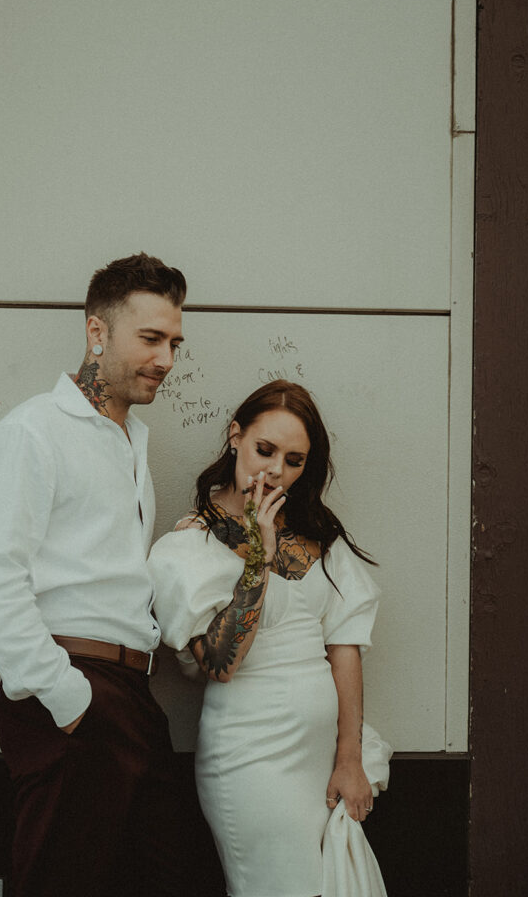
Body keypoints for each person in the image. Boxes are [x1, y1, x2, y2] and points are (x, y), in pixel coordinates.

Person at [0, 253, 190, 897]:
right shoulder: (33, 432)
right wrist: (66, 699)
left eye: (174, 342)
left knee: (171, 876)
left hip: (133, 696)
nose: (166, 359)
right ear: (97, 332)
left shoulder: (130, 439)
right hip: (76, 693)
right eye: (150, 338)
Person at [148, 380, 386, 897]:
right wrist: (259, 556)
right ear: (235, 436)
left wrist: (348, 759)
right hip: (250, 757)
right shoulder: (190, 545)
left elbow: (344, 647)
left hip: (321, 759)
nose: (277, 470)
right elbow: (218, 664)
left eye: (295, 459)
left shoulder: (321, 538)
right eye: (265, 450)